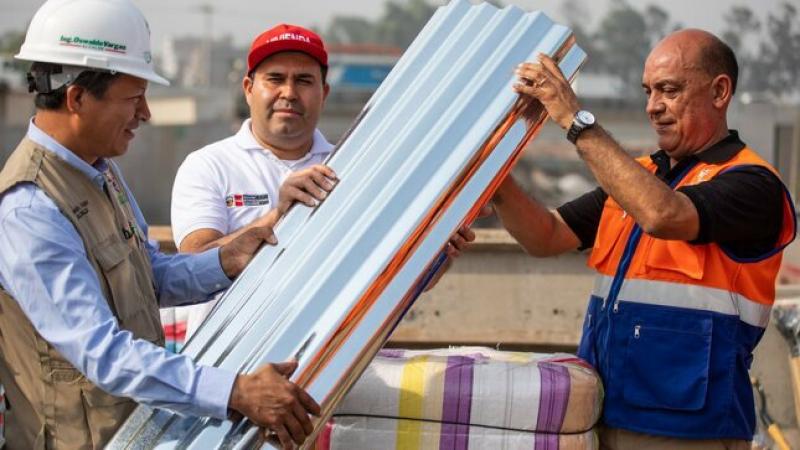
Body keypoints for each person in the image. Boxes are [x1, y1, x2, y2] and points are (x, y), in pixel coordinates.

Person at [0, 2, 318, 449]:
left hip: (133, 433)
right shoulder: (30, 209)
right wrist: (236, 392)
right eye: (134, 98)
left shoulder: (100, 173)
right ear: (77, 99)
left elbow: (148, 277)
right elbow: (102, 352)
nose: (146, 113)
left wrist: (227, 259)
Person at [495, 29, 796, 449]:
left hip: (690, 432)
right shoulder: (639, 178)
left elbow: (663, 215)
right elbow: (545, 236)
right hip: (604, 416)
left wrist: (576, 121)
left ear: (719, 92)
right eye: (648, 91)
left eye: (669, 90)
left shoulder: (753, 184)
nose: (654, 106)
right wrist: (496, 182)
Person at [169, 24, 474, 339]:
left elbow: (393, 278)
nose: (289, 93)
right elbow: (194, 265)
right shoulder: (208, 165)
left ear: (324, 93)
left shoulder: (353, 169)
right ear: (248, 88)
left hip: (320, 356)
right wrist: (279, 217)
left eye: (303, 81)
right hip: (224, 358)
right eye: (275, 79)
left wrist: (437, 254)